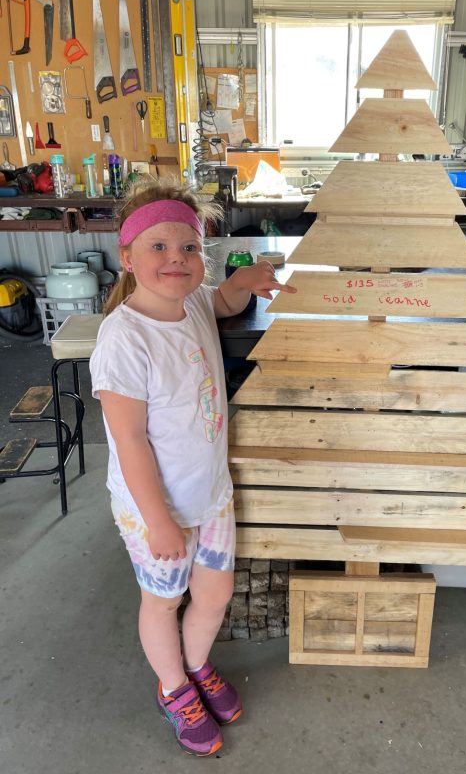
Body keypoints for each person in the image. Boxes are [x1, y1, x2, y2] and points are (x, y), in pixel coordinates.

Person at [89, 178, 296, 756]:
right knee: (162, 601)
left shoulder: (196, 303)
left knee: (213, 596)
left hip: (210, 496)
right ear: (126, 258)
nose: (176, 260)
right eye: (158, 248)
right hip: (154, 508)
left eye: (188, 249)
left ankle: (198, 664)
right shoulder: (123, 338)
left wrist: (245, 281)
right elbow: (128, 441)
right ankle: (174, 686)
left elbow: (226, 300)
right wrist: (157, 521)